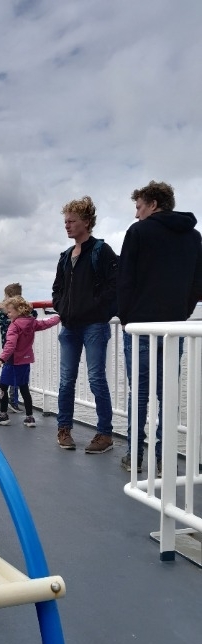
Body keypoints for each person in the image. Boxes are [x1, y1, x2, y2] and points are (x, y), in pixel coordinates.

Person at [118, 180, 202, 473]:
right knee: (167, 394)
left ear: (153, 204)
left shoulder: (138, 232)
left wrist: (127, 317)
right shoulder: (194, 237)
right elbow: (197, 285)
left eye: (139, 207)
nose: (137, 214)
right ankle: (164, 459)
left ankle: (133, 457)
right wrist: (181, 312)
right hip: (174, 327)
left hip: (141, 327)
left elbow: (125, 279)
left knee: (139, 393)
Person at [52, 195, 119, 453]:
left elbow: (114, 287)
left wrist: (94, 309)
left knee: (96, 379)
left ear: (87, 222)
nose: (67, 225)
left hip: (94, 326)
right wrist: (61, 306)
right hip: (69, 326)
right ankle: (64, 429)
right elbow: (57, 288)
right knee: (66, 380)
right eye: (65, 221)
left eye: (72, 221)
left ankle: (104, 434)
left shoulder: (101, 251)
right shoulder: (65, 256)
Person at [0, 296, 60, 426]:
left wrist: (1, 358)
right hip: (25, 361)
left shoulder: (14, 326)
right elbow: (45, 323)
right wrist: (58, 318)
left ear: (19, 311)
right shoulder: (32, 322)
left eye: (10, 312)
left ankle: (3, 415)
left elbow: (10, 344)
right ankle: (29, 417)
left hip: (12, 362)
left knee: (3, 386)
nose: (8, 314)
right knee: (24, 388)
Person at [0, 282, 24, 412]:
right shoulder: (16, 314)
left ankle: (1, 396)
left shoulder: (2, 312)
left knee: (7, 370)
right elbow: (32, 316)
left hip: (7, 346)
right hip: (16, 347)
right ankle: (12, 400)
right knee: (15, 372)